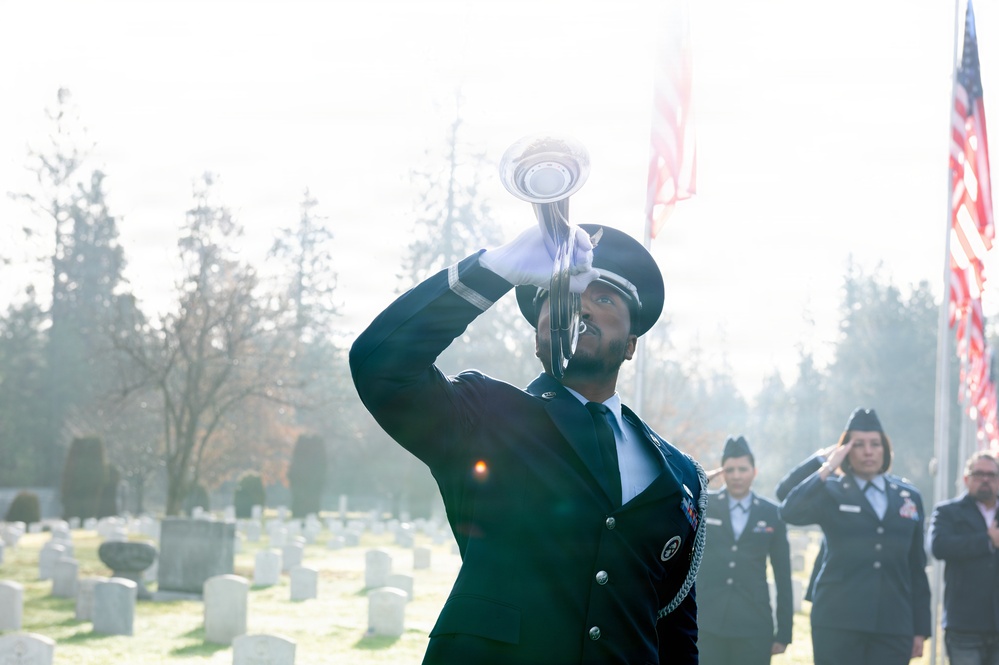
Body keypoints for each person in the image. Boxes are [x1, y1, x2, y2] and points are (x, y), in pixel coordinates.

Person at [349, 222, 707, 665]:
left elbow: (674, 632)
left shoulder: (681, 475)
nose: (581, 309)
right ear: (537, 333)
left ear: (631, 344)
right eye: (562, 299)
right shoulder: (484, 416)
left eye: (603, 299)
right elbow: (381, 367)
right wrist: (492, 270)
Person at [778, 407, 931, 665]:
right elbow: (789, 510)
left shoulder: (908, 496)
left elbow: (916, 566)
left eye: (875, 444)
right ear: (846, 450)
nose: (868, 451)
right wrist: (826, 466)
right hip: (838, 620)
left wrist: (920, 627)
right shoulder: (831, 491)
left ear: (885, 449)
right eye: (859, 445)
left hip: (893, 622)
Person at [697, 435, 792, 664]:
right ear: (722, 473)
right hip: (708, 622)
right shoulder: (705, 504)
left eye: (743, 469)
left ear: (754, 472)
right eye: (730, 470)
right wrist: (699, 480)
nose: (737, 476)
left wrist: (784, 631)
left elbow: (783, 575)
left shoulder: (772, 513)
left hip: (753, 624)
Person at [927, 450, 999, 665]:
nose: (985, 480)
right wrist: (986, 540)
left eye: (991, 475)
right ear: (966, 479)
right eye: (978, 474)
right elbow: (939, 547)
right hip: (965, 626)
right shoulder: (948, 512)